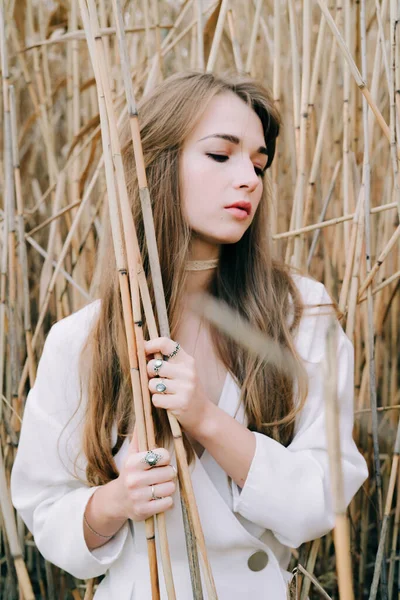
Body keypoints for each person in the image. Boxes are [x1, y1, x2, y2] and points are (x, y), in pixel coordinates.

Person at [11, 71, 368, 599]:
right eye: (221, 156)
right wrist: (116, 501)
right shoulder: (81, 339)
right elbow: (44, 510)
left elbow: (324, 496)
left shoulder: (302, 315)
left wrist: (206, 419)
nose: (248, 177)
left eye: (258, 163)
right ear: (156, 164)